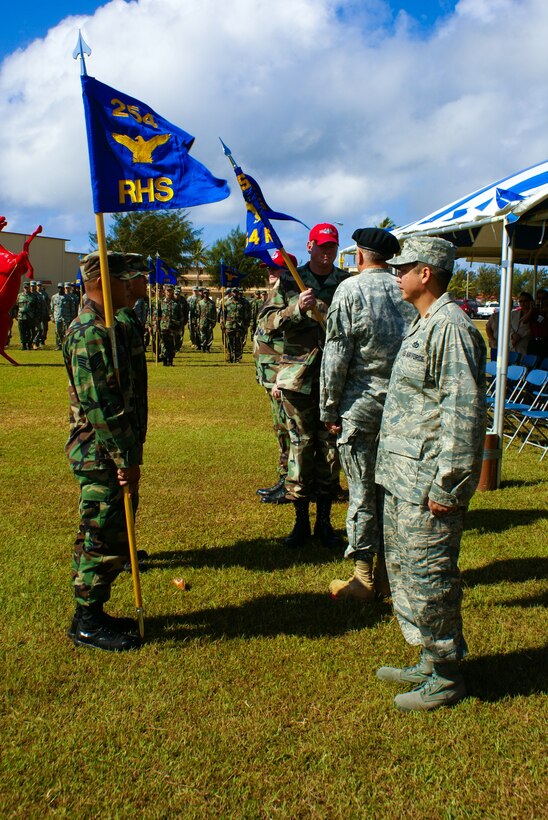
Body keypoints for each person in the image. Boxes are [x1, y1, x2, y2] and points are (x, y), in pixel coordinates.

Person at [374, 236, 486, 711]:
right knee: (406, 571)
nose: (395, 275)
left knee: (430, 575)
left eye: (404, 268)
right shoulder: (423, 324)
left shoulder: (451, 327)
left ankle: (446, 675)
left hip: (427, 483)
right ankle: (428, 656)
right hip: (402, 476)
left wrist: (450, 484)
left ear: (427, 274)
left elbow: (464, 411)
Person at [320, 228, 415, 600]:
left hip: (359, 410)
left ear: (359, 256)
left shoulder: (350, 290)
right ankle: (392, 577)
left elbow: (336, 356)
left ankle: (363, 578)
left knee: (361, 493)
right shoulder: (405, 290)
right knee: (393, 493)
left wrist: (329, 406)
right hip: (401, 412)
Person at [63, 251, 145, 652]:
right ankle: (87, 620)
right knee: (100, 531)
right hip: (101, 453)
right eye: (124, 279)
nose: (132, 286)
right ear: (102, 282)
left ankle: (94, 610)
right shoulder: (90, 332)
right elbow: (102, 408)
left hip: (108, 452)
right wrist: (127, 458)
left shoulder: (108, 325)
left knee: (111, 528)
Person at [260, 223, 349, 548]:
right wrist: (296, 308)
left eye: (332, 248)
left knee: (329, 450)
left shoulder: (345, 283)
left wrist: (324, 310)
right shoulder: (289, 279)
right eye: (322, 247)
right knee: (300, 446)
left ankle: (324, 523)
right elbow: (266, 324)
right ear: (310, 246)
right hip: (297, 377)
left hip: (333, 378)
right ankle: (300, 523)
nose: (327, 254)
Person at [253, 251, 297, 505]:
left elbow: (292, 342)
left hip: (282, 377)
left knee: (289, 430)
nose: (270, 272)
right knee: (281, 430)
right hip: (270, 376)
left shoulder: (290, 298)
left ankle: (291, 481)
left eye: (276, 268)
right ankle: (284, 476)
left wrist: (283, 376)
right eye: (268, 268)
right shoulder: (274, 295)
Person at [157, 283, 182, 366]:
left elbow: (180, 316)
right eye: (168, 290)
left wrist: (179, 326)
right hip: (163, 326)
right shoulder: (160, 302)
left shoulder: (176, 304)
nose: (169, 292)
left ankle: (170, 361)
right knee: (163, 344)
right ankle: (164, 361)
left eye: (171, 290)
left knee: (172, 344)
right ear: (165, 291)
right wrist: (155, 325)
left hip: (173, 327)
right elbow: (157, 315)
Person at [527, 288, 548, 359]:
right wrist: (531, 309)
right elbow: (524, 321)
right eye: (538, 298)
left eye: (543, 298)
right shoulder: (534, 311)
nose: (541, 301)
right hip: (533, 342)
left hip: (545, 343)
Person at [15, 282, 36, 349]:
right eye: (25, 288)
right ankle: (23, 344)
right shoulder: (19, 296)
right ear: (23, 288)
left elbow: (37, 307)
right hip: (21, 316)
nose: (26, 289)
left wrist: (36, 316)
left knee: (30, 332)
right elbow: (16, 306)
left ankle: (29, 344)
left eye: (27, 287)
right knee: (22, 331)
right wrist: (16, 315)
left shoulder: (33, 296)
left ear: (29, 287)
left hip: (30, 317)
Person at [196, 288, 216, 352]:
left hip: (210, 321)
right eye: (204, 293)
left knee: (209, 335)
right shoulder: (200, 303)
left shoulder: (212, 303)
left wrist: (214, 321)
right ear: (203, 294)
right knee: (202, 335)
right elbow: (197, 314)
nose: (206, 294)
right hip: (202, 321)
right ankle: (203, 347)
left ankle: (208, 347)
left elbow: (214, 313)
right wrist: (198, 322)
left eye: (207, 293)